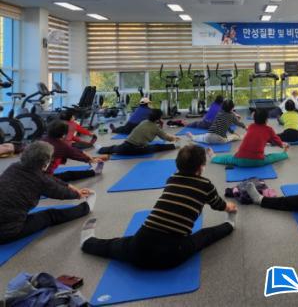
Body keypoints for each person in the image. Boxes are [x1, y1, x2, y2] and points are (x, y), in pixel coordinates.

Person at [81, 144, 237, 269]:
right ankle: (229, 224)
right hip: (171, 255)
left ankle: (88, 243)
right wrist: (228, 206)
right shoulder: (206, 185)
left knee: (115, 244)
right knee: (204, 236)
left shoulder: (172, 178)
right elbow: (217, 204)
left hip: (138, 248)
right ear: (201, 167)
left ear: (178, 165)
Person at [0, 141, 95, 244]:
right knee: (49, 215)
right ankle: (86, 208)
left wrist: (68, 185)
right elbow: (60, 192)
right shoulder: (40, 180)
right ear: (45, 163)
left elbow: (47, 178)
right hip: (6, 232)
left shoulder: (14, 166)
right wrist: (78, 195)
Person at [211, 109, 289, 167]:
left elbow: (255, 136)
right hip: (258, 161)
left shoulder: (251, 126)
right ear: (266, 119)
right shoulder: (269, 129)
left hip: (240, 160)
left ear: (254, 119)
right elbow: (277, 141)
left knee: (228, 158)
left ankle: (214, 158)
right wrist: (282, 145)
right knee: (272, 157)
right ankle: (284, 154)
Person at [98, 109, 179, 156]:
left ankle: (100, 149)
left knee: (114, 148)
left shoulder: (144, 122)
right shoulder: (155, 128)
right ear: (158, 118)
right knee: (157, 147)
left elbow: (156, 130)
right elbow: (165, 137)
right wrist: (174, 138)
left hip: (125, 145)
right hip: (136, 149)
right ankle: (174, 146)